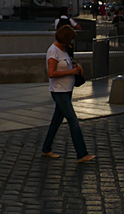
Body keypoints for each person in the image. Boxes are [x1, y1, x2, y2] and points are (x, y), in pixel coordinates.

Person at [40, 24, 93, 163]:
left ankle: (46, 148)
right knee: (73, 121)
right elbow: (51, 73)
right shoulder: (53, 52)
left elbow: (66, 63)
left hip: (67, 90)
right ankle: (82, 153)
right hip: (59, 91)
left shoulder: (64, 49)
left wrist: (75, 65)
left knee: (56, 122)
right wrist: (71, 72)